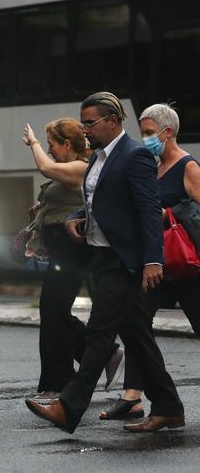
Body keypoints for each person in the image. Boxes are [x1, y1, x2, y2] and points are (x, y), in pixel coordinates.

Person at [25, 91, 185, 433]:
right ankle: (169, 406)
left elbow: (146, 209)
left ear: (113, 121)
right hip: (101, 256)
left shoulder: (135, 155)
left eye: (90, 122)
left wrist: (153, 261)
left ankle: (69, 407)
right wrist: (78, 214)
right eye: (83, 123)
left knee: (98, 334)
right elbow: (101, 199)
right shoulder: (98, 158)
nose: (85, 129)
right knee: (138, 336)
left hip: (123, 261)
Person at [100, 103, 200, 421]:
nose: (144, 139)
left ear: (166, 132)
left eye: (147, 132)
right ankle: (133, 397)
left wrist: (169, 215)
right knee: (136, 324)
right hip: (157, 264)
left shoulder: (188, 167)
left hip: (186, 265)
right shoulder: (152, 168)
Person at [21, 119, 124, 403]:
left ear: (67, 144)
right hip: (61, 253)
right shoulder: (71, 170)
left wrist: (34, 143)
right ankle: (100, 355)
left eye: (53, 143)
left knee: (53, 310)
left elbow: (46, 168)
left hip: (73, 251)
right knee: (54, 312)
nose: (50, 149)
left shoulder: (82, 166)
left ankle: (62, 382)